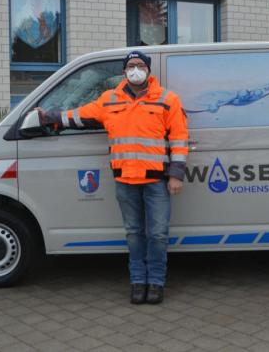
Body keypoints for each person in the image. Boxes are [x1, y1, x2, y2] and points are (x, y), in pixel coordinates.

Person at [37, 51, 189, 304]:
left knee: (158, 234)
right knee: (133, 234)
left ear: (149, 71)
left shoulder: (167, 99)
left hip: (156, 182)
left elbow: (179, 139)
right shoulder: (109, 100)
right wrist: (49, 116)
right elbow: (77, 115)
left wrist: (176, 175)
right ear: (124, 71)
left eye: (140, 65)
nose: (136, 69)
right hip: (126, 181)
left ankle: (157, 283)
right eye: (131, 66)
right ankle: (138, 282)